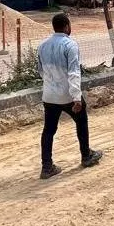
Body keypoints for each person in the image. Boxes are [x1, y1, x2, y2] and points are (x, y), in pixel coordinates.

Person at [37, 13, 103, 179]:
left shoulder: (42, 45)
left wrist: (50, 85)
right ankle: (86, 155)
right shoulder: (70, 45)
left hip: (49, 95)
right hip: (67, 95)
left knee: (48, 131)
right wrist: (76, 97)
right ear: (67, 26)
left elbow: (41, 71)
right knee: (81, 121)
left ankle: (46, 167)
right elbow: (74, 72)